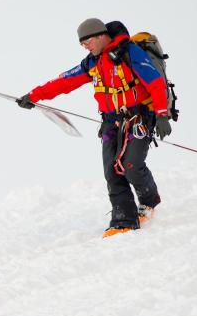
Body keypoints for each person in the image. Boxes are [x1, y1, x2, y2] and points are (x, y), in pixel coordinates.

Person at [16, 18, 173, 237]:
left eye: (87, 42)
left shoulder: (129, 53)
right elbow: (64, 82)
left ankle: (148, 202)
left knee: (131, 165)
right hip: (110, 122)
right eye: (82, 44)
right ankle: (123, 220)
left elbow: (155, 83)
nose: (85, 47)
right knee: (111, 172)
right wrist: (33, 96)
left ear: (100, 36)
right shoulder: (91, 63)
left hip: (139, 118)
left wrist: (162, 115)